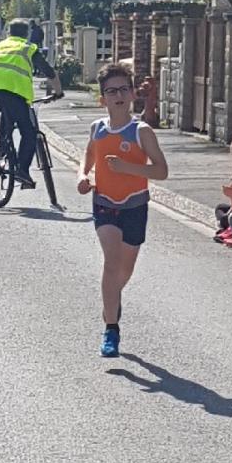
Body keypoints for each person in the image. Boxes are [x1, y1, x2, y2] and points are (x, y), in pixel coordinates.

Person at [76, 63, 169, 357]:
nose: (118, 95)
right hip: (104, 203)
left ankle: (110, 305)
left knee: (124, 270)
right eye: (111, 91)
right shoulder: (98, 129)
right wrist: (83, 176)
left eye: (123, 89)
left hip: (135, 205)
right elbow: (88, 158)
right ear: (103, 98)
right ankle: (111, 330)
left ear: (131, 94)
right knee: (111, 261)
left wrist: (127, 167)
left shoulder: (141, 131)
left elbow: (162, 171)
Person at [0, 18, 62, 187]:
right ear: (27, 33)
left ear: (8, 32)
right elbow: (48, 71)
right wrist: (58, 92)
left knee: (7, 114)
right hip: (15, 91)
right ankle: (22, 171)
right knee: (29, 133)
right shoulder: (28, 48)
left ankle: (3, 148)